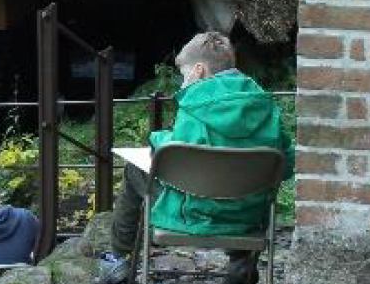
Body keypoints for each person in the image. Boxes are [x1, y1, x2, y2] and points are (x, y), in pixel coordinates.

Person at [97, 32, 295, 284]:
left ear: (199, 70)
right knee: (241, 188)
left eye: (184, 75)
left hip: (195, 213)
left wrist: (158, 138)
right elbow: (286, 165)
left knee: (134, 170)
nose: (183, 83)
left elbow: (175, 154)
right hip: (247, 217)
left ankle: (117, 257)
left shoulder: (195, 104)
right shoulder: (266, 106)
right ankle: (240, 270)